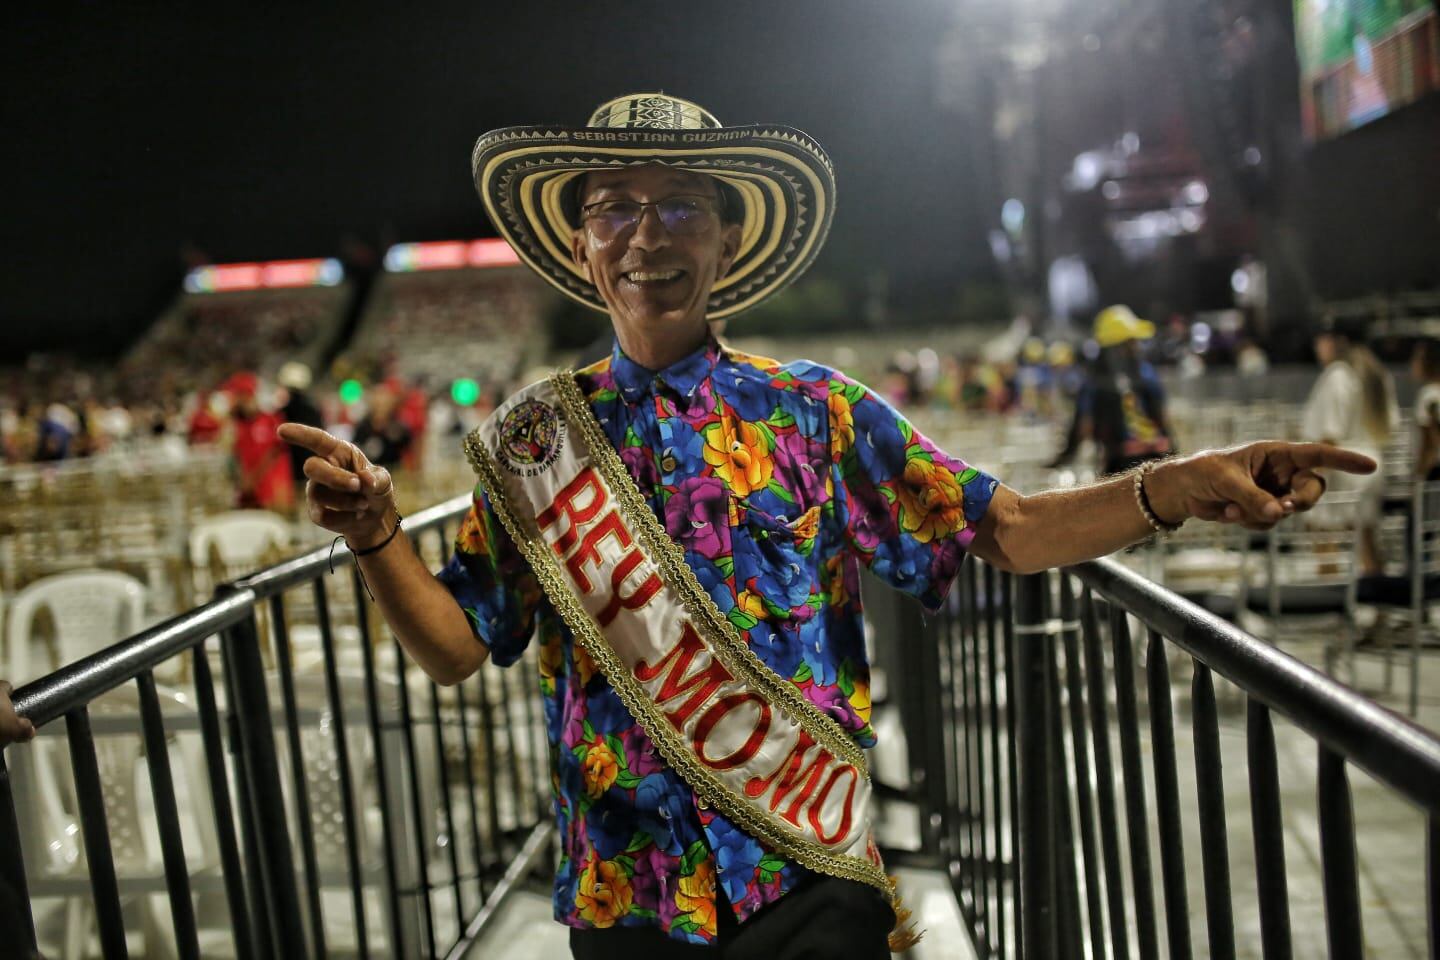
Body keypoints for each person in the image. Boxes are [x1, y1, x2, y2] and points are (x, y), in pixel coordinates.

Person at [0, 93, 1374, 959]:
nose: (643, 233)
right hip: (621, 890)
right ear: (580, 244)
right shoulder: (533, 442)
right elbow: (454, 651)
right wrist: (373, 540)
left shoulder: (817, 411)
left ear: (725, 241)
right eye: (613, 211)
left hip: (808, 874)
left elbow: (1000, 530)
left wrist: (1178, 484)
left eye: (676, 209)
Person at [1301, 319, 1397, 576]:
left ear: (1335, 342)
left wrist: (1310, 477)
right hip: (1371, 464)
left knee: (1325, 536)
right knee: (1366, 540)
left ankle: (1332, 596)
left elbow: (1330, 436)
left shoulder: (1338, 376)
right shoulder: (1376, 373)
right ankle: (1377, 602)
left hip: (1341, 467)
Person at [1050, 305, 1176, 475]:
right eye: (1132, 342)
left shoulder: (1093, 383)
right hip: (1157, 462)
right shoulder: (1146, 374)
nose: (1137, 346)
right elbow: (1163, 419)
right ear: (1118, 347)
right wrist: (1175, 455)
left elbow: (1083, 428)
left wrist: (1061, 460)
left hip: (1119, 471)